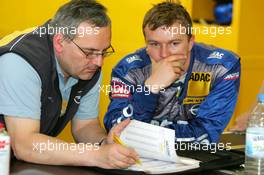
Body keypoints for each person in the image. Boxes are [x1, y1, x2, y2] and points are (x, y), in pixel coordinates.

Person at [0, 0, 138, 169]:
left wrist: (103, 144)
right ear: (59, 42)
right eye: (89, 52)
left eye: (104, 52)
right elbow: (25, 145)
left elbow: (85, 126)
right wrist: (95, 155)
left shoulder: (88, 65)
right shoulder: (20, 62)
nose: (99, 62)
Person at [103, 1, 241, 144]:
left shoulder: (221, 67)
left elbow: (205, 135)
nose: (164, 54)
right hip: (137, 160)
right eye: (155, 44)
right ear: (146, 44)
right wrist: (149, 89)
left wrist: (143, 137)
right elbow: (118, 131)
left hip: (197, 160)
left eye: (174, 43)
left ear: (190, 42)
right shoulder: (128, 70)